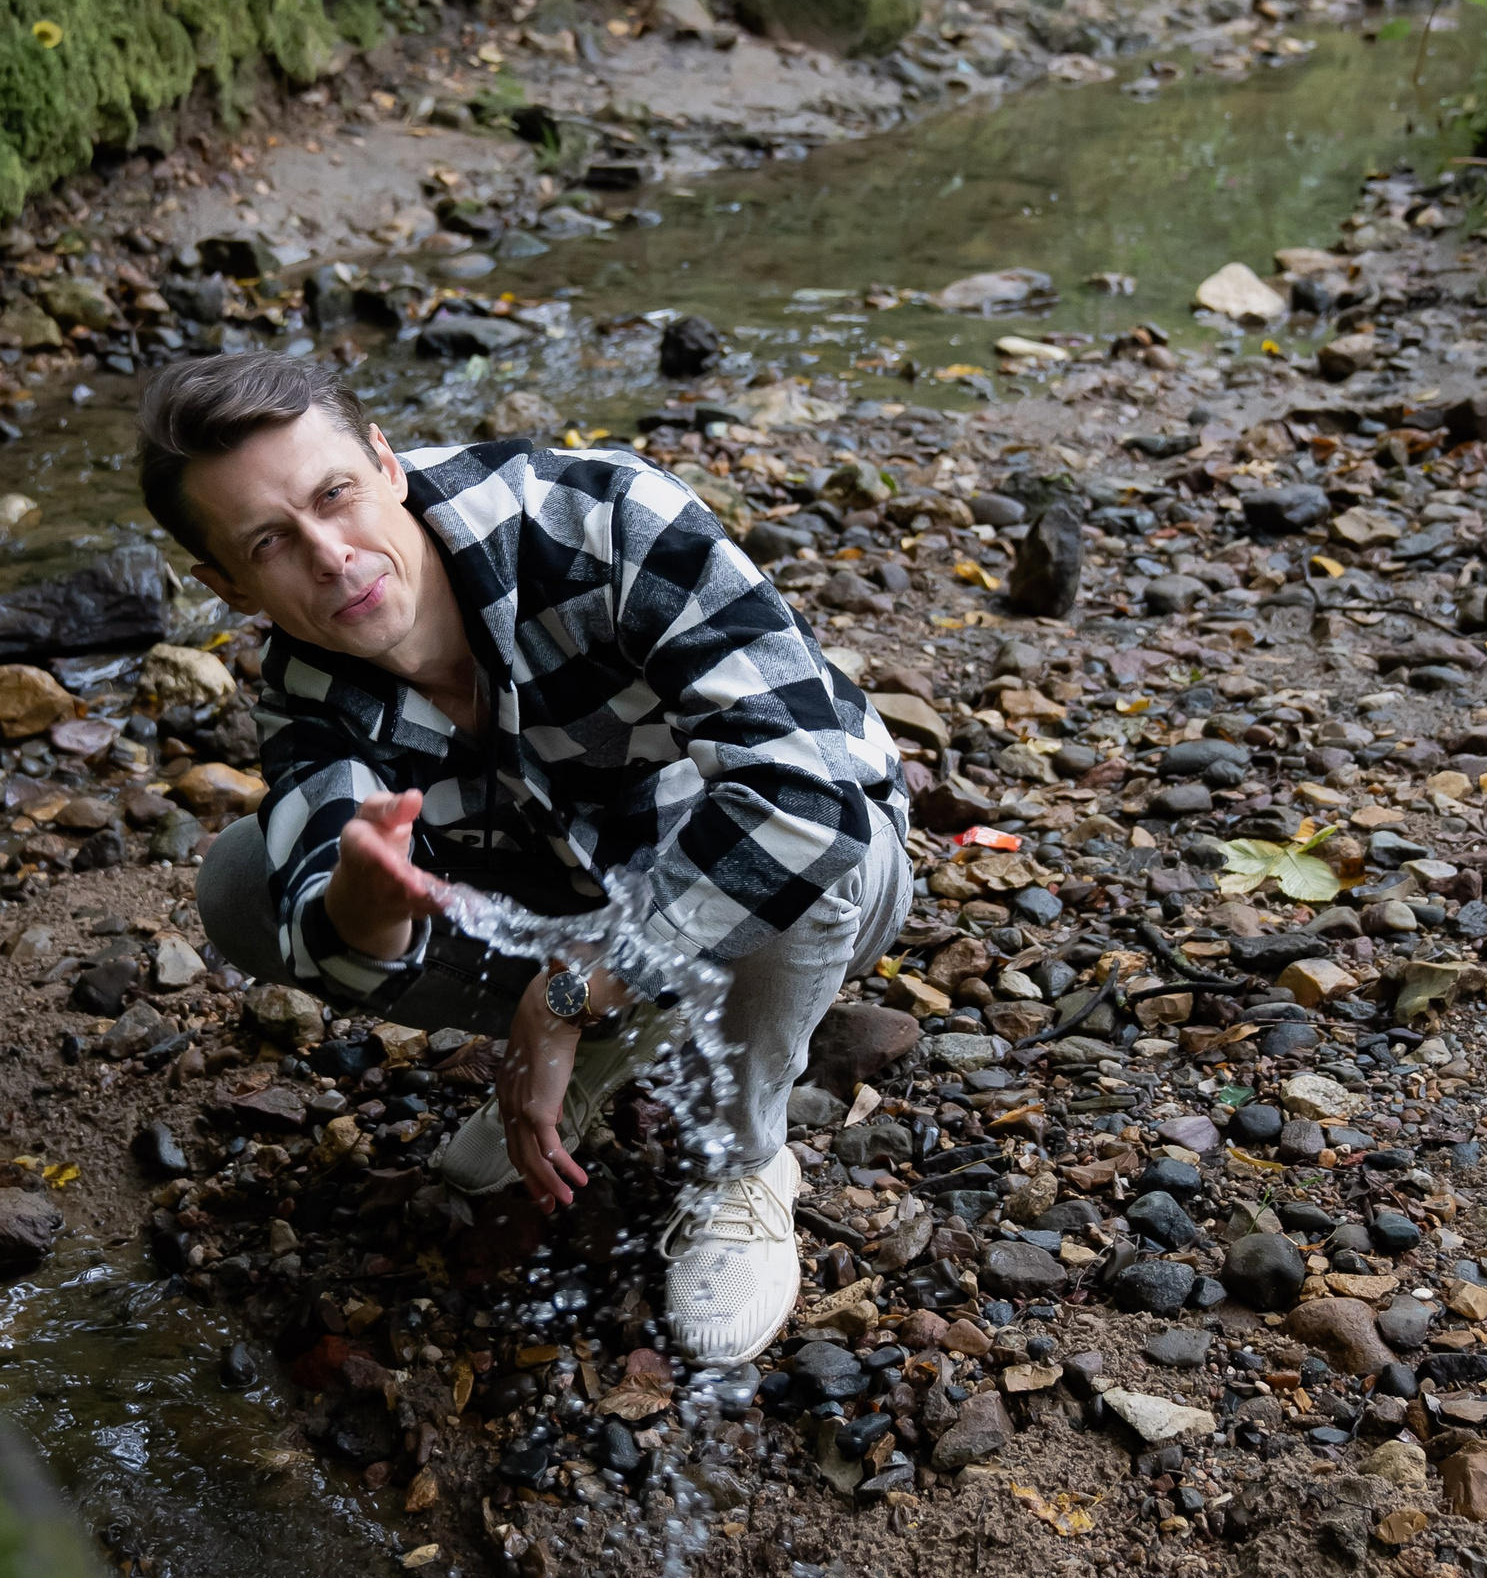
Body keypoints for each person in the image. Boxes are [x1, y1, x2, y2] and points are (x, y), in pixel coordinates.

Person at [134, 351, 913, 1366]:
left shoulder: (607, 521)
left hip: (820, 876)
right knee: (245, 884)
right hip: (573, 898)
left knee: (788, 845)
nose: (330, 556)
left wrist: (566, 996)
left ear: (386, 462)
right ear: (224, 584)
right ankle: (624, 1020)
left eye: (336, 496)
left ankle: (742, 1157)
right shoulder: (307, 694)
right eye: (271, 543)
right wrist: (369, 907)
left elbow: (808, 803)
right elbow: (332, 953)